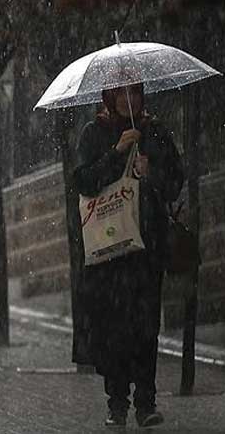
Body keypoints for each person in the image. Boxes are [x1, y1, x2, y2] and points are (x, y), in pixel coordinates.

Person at [73, 82, 184, 429]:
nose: (128, 100)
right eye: (120, 94)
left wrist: (153, 173)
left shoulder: (154, 131)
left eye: (134, 93)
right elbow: (84, 181)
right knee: (114, 328)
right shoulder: (95, 133)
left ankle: (146, 402)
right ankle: (117, 402)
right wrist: (117, 153)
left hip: (146, 248)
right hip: (110, 250)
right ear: (110, 98)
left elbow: (175, 182)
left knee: (146, 326)